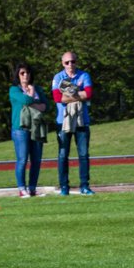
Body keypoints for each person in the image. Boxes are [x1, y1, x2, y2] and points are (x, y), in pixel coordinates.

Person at [52, 51, 95, 196]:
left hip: (81, 121)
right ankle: (64, 186)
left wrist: (69, 93)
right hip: (63, 121)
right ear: (62, 63)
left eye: (73, 61)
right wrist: (78, 92)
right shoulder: (58, 77)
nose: (70, 65)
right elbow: (58, 98)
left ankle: (85, 186)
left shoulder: (84, 75)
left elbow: (88, 94)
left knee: (83, 154)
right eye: (67, 62)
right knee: (63, 155)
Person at [9, 63, 51, 198]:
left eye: (27, 73)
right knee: (22, 160)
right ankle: (22, 189)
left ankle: (32, 188)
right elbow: (25, 99)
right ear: (18, 75)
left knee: (36, 160)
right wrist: (32, 94)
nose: (25, 75)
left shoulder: (38, 88)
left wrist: (33, 100)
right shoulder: (14, 90)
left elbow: (46, 106)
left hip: (37, 128)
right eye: (22, 73)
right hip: (20, 129)